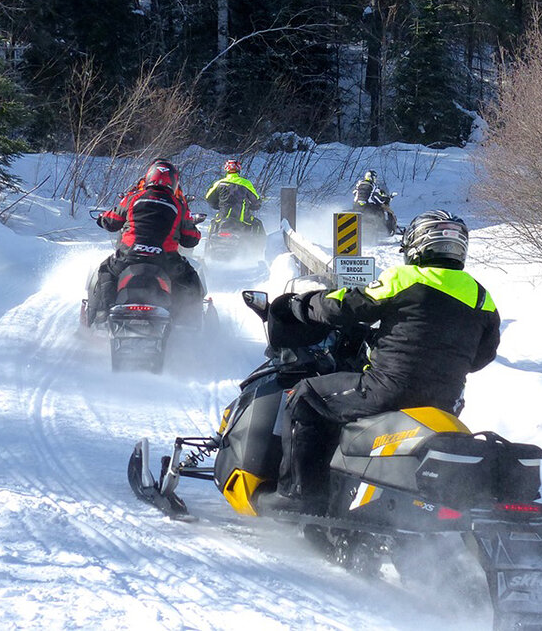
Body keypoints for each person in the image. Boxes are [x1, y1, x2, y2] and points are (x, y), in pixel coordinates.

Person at [261, 210, 501, 514]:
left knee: (306, 396)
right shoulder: (481, 296)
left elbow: (344, 307)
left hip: (386, 391)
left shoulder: (405, 278)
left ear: (416, 244)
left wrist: (303, 306)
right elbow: (482, 356)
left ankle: (296, 493)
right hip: (446, 403)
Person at [84, 158, 203, 325]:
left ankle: (102, 314)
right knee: (191, 279)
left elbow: (111, 221)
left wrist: (102, 218)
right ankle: (187, 322)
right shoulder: (179, 205)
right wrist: (195, 233)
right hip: (165, 259)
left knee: (105, 271)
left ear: (148, 177)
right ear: (174, 182)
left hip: (129, 255)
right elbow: (190, 239)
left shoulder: (133, 198)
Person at [204, 158, 263, 235]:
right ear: (239, 169)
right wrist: (254, 206)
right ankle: (260, 246)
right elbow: (256, 200)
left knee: (213, 226)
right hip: (242, 220)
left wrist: (217, 205)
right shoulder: (245, 183)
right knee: (258, 224)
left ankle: (208, 244)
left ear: (226, 169)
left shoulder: (219, 183)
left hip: (222, 218)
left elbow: (209, 198)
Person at [351, 170, 397, 235]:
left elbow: (354, 193)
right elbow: (379, 198)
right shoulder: (373, 186)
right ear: (372, 177)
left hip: (356, 206)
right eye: (374, 178)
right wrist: (387, 199)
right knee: (381, 209)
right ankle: (385, 228)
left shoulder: (359, 184)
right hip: (367, 207)